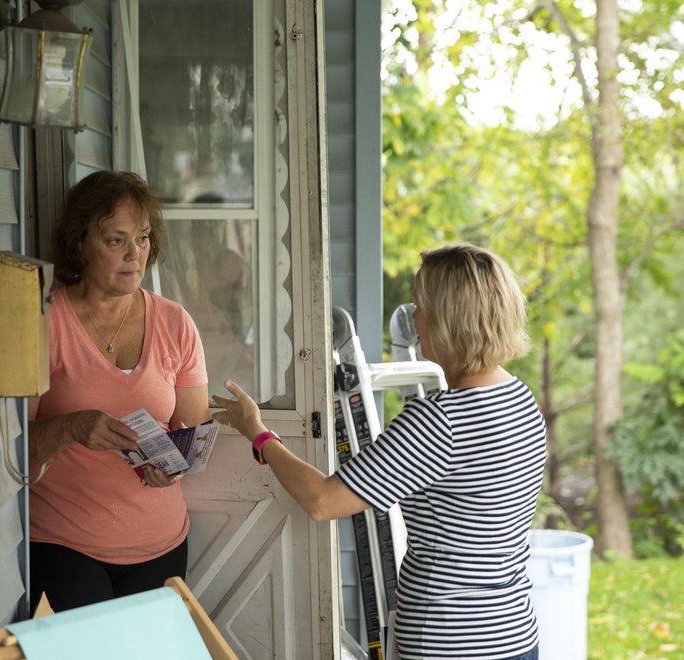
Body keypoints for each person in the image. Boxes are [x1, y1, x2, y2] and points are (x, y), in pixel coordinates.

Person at [213, 243, 546, 659]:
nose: (415, 319)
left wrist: (258, 433)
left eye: (420, 305)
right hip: (514, 634)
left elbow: (322, 500)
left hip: (448, 643)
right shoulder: (519, 398)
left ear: (450, 320)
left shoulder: (439, 421)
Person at [27, 170, 210, 613]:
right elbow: (14, 450)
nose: (135, 255)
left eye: (143, 238)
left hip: (161, 544)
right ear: (80, 243)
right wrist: (71, 427)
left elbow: (194, 429)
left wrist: (176, 465)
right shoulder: (44, 323)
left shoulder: (174, 322)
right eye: (116, 241)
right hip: (64, 543)